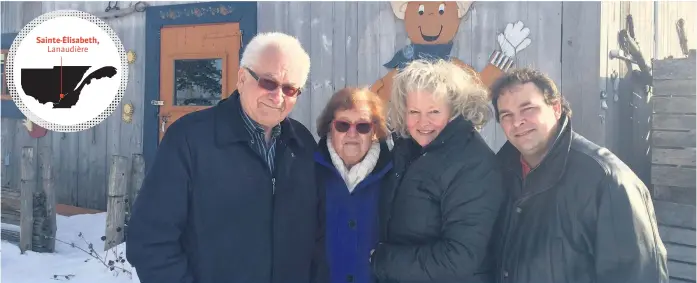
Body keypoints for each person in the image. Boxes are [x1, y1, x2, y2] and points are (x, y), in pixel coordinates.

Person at [126, 32, 328, 283]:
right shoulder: (190, 139)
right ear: (242, 78)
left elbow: (318, 236)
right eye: (268, 82)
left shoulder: (303, 144)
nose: (278, 97)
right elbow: (151, 240)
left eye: (289, 89)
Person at [489, 68, 668, 283]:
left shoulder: (607, 180)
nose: (517, 122)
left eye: (528, 109)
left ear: (555, 108)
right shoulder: (498, 174)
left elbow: (637, 274)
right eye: (506, 115)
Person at [370, 59, 504, 283]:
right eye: (414, 111)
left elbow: (458, 259)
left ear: (454, 110)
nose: (423, 122)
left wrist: (381, 261)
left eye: (434, 111)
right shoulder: (408, 149)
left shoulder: (473, 164)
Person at [314, 87, 393, 283]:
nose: (352, 133)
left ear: (374, 131)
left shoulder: (394, 175)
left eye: (362, 126)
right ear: (329, 128)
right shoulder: (309, 172)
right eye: (342, 125)